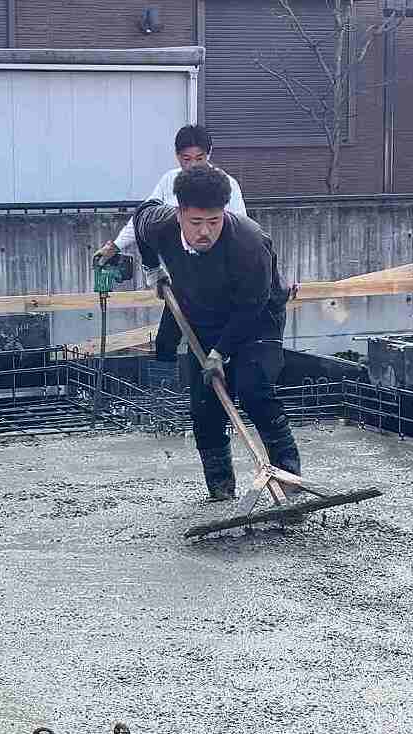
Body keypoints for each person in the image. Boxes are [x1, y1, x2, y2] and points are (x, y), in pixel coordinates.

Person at [132, 164, 300, 503]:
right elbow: (139, 219)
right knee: (205, 407)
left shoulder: (249, 244)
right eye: (196, 222)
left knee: (255, 390)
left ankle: (289, 480)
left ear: (224, 212)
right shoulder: (159, 224)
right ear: (179, 213)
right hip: (202, 317)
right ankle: (221, 493)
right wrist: (153, 270)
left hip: (257, 318)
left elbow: (250, 308)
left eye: (214, 221)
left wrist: (219, 353)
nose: (205, 231)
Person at [96, 125, 246, 363]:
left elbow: (241, 233)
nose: (193, 165)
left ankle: (216, 387)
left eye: (200, 158)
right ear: (178, 156)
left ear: (209, 155)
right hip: (182, 275)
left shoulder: (225, 184)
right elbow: (143, 219)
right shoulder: (170, 181)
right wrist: (115, 246)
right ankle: (164, 392)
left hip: (216, 278)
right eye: (186, 159)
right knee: (166, 340)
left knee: (211, 344)